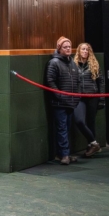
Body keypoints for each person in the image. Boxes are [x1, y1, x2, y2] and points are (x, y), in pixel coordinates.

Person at [45, 36, 82, 165]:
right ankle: (63, 155)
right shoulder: (54, 63)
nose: (68, 49)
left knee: (67, 128)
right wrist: (60, 96)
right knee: (61, 129)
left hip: (71, 102)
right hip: (59, 103)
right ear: (59, 48)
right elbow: (50, 81)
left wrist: (76, 96)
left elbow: (77, 81)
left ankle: (64, 153)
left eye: (69, 47)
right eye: (65, 47)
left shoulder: (73, 62)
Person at [75, 43, 103, 158]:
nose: (85, 51)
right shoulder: (73, 64)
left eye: (87, 49)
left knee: (90, 122)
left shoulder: (94, 64)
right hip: (79, 97)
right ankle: (94, 143)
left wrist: (102, 98)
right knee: (80, 121)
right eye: (83, 49)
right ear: (79, 51)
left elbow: (101, 82)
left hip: (92, 96)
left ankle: (90, 146)